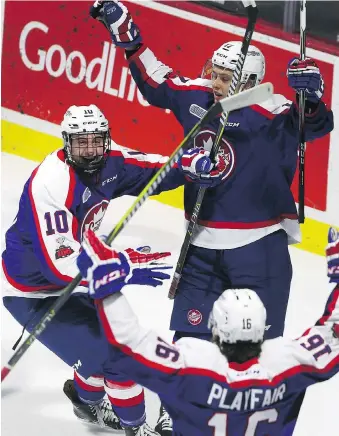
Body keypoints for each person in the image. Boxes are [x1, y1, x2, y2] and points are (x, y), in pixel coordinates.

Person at [90, 4, 334, 431]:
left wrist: (310, 97)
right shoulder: (197, 98)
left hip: (259, 257)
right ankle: (178, 418)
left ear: (252, 83)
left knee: (256, 355)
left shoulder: (274, 113)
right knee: (188, 344)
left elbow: (313, 124)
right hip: (200, 252)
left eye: (227, 78)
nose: (215, 82)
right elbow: (157, 80)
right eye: (214, 73)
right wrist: (125, 32)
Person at [1, 104, 230, 435]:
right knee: (117, 358)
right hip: (34, 290)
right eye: (82, 143)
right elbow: (59, 268)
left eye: (97, 141)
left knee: (113, 347)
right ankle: (135, 428)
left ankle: (85, 400)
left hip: (82, 270)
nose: (91, 150)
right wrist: (120, 265)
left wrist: (186, 165)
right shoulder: (50, 185)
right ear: (66, 143)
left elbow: (153, 168)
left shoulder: (110, 163)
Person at [75, 226, 339, 436]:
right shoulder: (290, 361)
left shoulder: (192, 364)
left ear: (214, 326)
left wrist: (106, 289)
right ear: (262, 326)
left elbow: (128, 342)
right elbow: (333, 332)